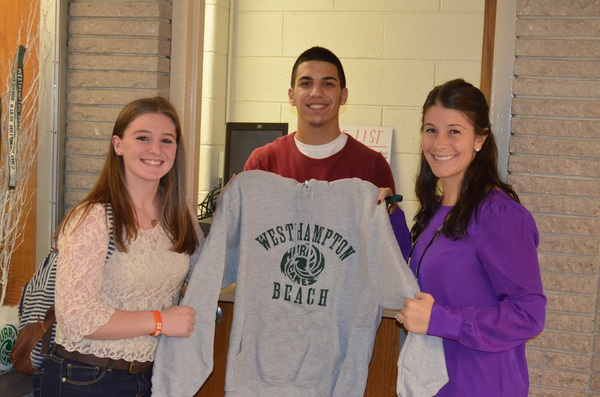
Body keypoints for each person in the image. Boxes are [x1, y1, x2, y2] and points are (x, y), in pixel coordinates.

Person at [34, 97, 204, 397]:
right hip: (85, 378)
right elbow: (76, 316)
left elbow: (210, 268)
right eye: (143, 138)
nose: (156, 150)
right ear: (118, 145)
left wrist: (236, 210)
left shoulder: (179, 214)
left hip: (152, 376)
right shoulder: (92, 218)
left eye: (167, 140)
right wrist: (160, 321)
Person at [397, 79, 547, 396]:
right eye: (430, 130)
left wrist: (442, 320)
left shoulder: (500, 215)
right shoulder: (437, 211)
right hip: (435, 383)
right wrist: (389, 219)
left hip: (483, 385)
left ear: (480, 138)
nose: (439, 143)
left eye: (454, 131)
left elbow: (529, 316)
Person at [244, 46, 411, 257]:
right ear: (292, 95)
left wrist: (391, 211)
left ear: (343, 96)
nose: (316, 93)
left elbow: (387, 257)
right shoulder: (262, 163)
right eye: (306, 83)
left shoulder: (373, 165)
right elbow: (247, 246)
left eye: (328, 84)